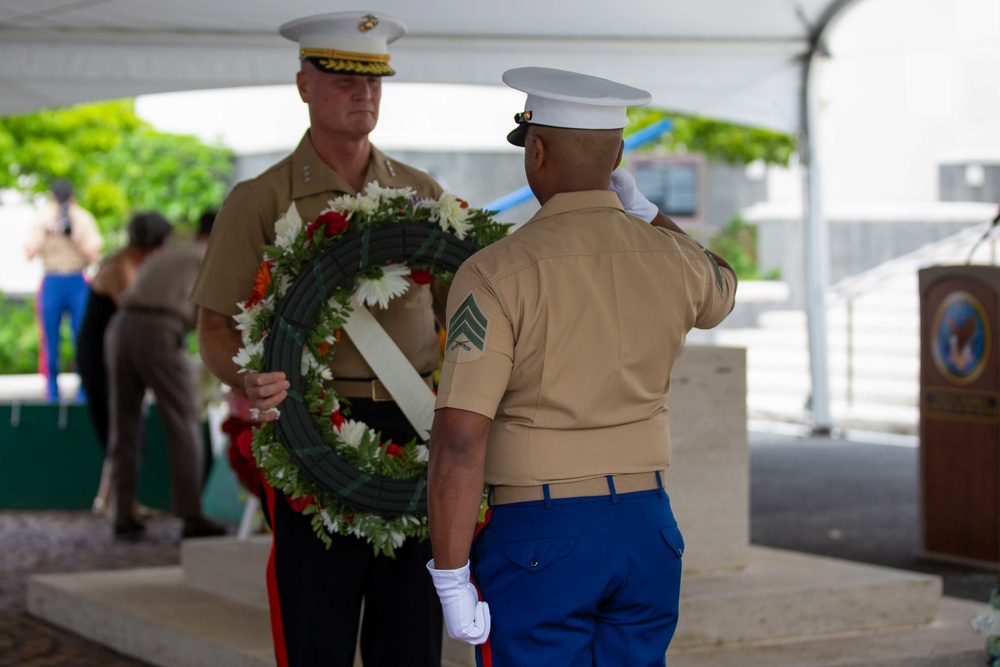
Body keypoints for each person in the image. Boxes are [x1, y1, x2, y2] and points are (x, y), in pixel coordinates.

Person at [425, 67, 739, 666]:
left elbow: (461, 436)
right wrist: (647, 214)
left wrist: (451, 573)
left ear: (535, 150)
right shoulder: (675, 261)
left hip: (540, 535)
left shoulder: (497, 271)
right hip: (647, 529)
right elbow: (722, 281)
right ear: (618, 154)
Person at [190, 11, 445, 667]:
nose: (363, 94)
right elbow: (214, 327)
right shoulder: (260, 199)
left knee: (411, 632)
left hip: (413, 427)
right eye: (342, 78)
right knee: (316, 632)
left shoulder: (422, 194)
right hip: (311, 430)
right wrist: (243, 378)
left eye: (375, 80)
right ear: (303, 84)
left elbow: (461, 317)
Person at [107, 211, 226, 541]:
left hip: (121, 327)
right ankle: (191, 515)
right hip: (160, 330)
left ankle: (122, 513)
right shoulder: (211, 258)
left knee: (125, 423)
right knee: (182, 421)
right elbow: (212, 319)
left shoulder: (171, 253)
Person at [77, 211, 173, 516]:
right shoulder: (119, 267)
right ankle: (118, 503)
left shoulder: (130, 264)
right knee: (117, 428)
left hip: (111, 354)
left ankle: (108, 501)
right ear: (154, 243)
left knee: (124, 428)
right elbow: (135, 310)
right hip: (100, 358)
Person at [24, 179, 103, 401]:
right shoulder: (43, 218)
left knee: (83, 340)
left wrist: (72, 237)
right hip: (52, 280)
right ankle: (51, 395)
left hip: (77, 280)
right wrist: (47, 233)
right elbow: (29, 253)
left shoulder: (83, 218)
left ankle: (84, 395)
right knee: (50, 343)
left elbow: (95, 255)